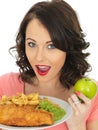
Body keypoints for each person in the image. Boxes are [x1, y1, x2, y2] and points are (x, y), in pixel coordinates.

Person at [0, 0, 98, 129]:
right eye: (32, 44)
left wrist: (77, 124)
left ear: (69, 47)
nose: (39, 57)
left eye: (51, 46)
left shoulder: (89, 96)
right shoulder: (5, 87)